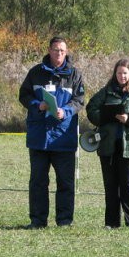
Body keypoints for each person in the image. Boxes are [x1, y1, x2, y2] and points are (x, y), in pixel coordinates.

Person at [19, 36, 85, 228]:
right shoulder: (35, 73)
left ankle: (64, 221)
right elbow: (24, 95)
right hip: (39, 137)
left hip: (63, 137)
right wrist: (36, 105)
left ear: (67, 52)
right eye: (56, 50)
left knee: (65, 183)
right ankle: (38, 221)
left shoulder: (74, 74)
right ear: (49, 50)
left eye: (62, 51)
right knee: (38, 182)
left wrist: (66, 111)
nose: (59, 54)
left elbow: (79, 100)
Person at [85, 58, 129, 229]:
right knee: (110, 185)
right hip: (109, 146)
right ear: (114, 74)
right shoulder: (106, 92)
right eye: (119, 73)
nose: (122, 76)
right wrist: (105, 117)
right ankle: (111, 223)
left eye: (125, 73)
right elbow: (91, 109)